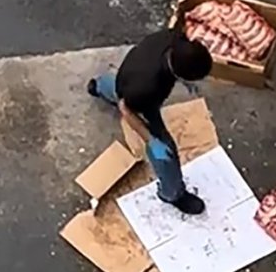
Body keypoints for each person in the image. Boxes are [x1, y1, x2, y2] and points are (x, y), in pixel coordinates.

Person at [87, 28, 212, 215]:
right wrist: (151, 140)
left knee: (116, 85)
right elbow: (125, 109)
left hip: (131, 71)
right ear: (178, 75)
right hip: (138, 98)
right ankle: (172, 193)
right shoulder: (149, 88)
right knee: (166, 153)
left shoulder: (175, 37)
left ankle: (99, 85)